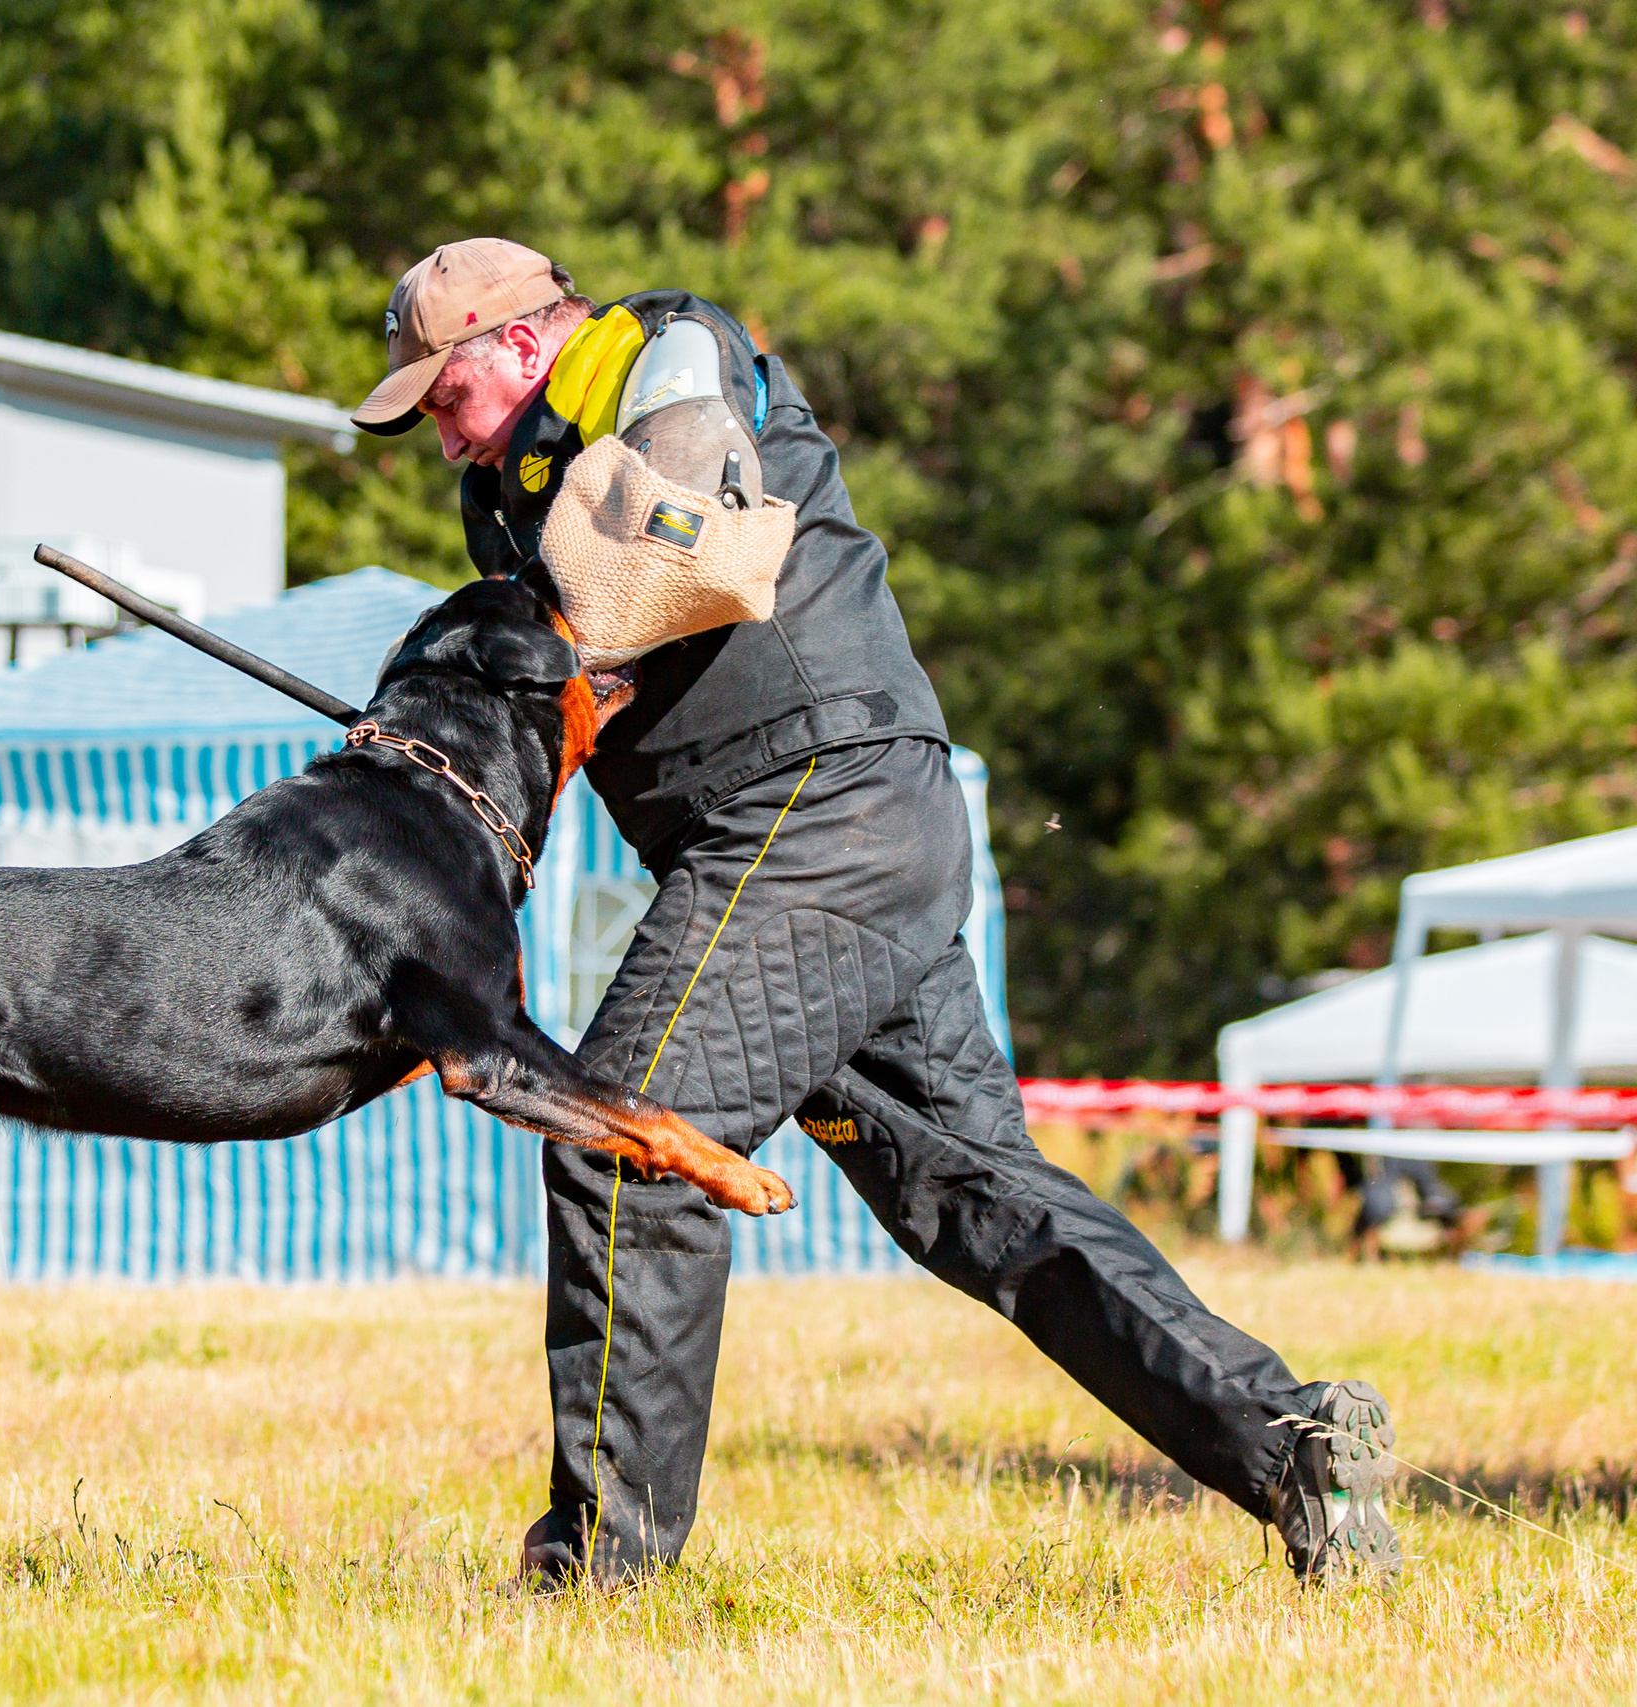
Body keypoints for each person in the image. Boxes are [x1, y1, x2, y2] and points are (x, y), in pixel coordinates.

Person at [349, 238, 1401, 1586]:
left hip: (814, 808)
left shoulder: (661, 354)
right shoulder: (507, 489)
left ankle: (598, 1578)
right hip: (829, 838)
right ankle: (1291, 1442)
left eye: (446, 398)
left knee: (621, 1136)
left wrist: (554, 616)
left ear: (521, 341)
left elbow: (697, 550)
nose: (439, 437)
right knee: (976, 1200)